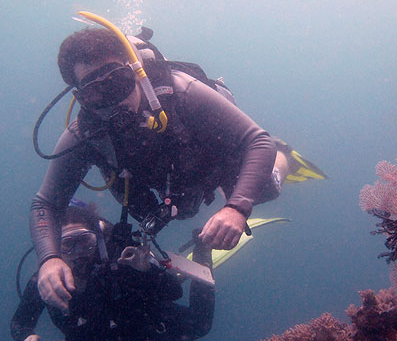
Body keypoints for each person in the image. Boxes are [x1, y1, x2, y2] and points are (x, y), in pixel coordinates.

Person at [31, 16, 325, 312]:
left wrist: (236, 207)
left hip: (208, 158)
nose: (110, 103)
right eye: (95, 94)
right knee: (155, 212)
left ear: (136, 73)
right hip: (153, 179)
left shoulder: (183, 93)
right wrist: (49, 257)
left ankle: (285, 156)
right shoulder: (84, 135)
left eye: (116, 84)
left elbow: (257, 141)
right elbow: (46, 203)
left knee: (264, 188)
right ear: (81, 98)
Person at [12, 204, 214, 341]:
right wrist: (25, 338)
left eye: (84, 241)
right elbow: (19, 323)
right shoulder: (46, 279)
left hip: (146, 322)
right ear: (54, 248)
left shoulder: (120, 255)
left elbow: (173, 293)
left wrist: (146, 270)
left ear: (96, 238)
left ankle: (203, 251)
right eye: (67, 245)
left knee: (201, 324)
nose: (78, 252)